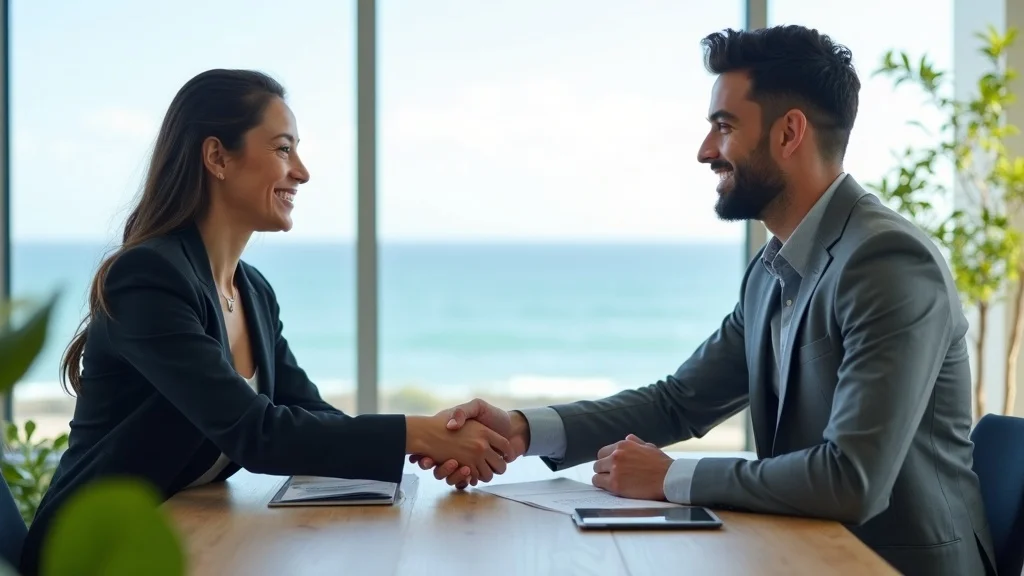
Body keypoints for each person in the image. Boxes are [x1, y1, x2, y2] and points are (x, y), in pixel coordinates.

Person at [413, 26, 997, 576]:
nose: (703, 150)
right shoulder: (774, 268)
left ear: (789, 133)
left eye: (723, 125)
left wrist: (672, 479)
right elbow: (679, 402)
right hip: (803, 551)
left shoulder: (887, 262)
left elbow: (852, 480)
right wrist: (522, 429)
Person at [18, 69, 508, 576]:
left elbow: (309, 415)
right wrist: (417, 433)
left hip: (181, 536)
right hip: (91, 553)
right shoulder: (146, 278)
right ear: (217, 157)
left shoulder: (252, 291)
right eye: (282, 149)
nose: (301, 171)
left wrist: (433, 438)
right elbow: (255, 432)